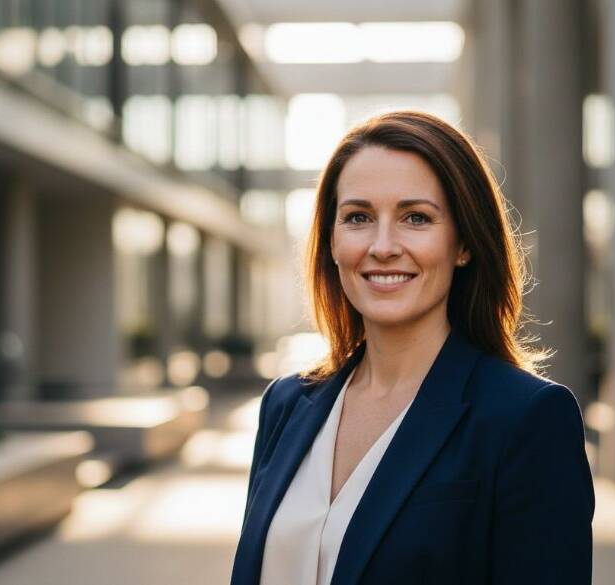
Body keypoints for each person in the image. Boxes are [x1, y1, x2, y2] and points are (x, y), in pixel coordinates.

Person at [230, 111, 595, 585]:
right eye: (358, 217)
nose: (383, 246)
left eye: (415, 218)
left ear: (463, 243)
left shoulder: (527, 419)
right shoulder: (286, 404)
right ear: (332, 242)